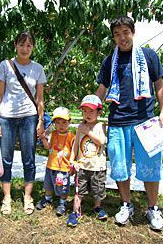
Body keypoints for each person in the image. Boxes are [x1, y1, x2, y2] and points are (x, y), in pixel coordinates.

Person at [96, 15, 163, 231]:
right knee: (120, 166)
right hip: (118, 121)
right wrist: (91, 107)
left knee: (151, 167)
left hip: (145, 121)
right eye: (117, 35)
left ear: (133, 33)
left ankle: (153, 208)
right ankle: (126, 204)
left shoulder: (148, 56)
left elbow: (159, 85)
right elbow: (102, 87)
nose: (122, 38)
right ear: (113, 38)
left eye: (125, 33)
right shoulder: (110, 60)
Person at [0, 31, 47, 215]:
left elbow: (40, 99)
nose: (25, 49)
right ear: (15, 45)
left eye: (29, 45)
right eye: (22, 44)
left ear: (33, 47)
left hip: (29, 117)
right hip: (7, 118)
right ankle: (7, 197)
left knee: (29, 158)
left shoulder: (38, 69)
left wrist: (40, 121)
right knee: (6, 158)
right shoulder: (5, 66)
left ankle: (27, 197)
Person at [67, 95, 107, 227]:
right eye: (84, 111)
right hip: (82, 166)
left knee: (98, 189)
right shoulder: (80, 127)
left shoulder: (101, 126)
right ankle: (75, 211)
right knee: (79, 190)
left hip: (97, 167)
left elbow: (101, 142)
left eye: (91, 111)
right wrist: (72, 159)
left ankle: (97, 207)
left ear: (99, 112)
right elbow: (76, 144)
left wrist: (88, 132)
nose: (87, 114)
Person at [36, 107, 75, 216]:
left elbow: (74, 150)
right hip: (51, 166)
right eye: (58, 123)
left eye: (64, 122)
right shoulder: (52, 134)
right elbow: (48, 147)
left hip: (64, 167)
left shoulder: (71, 136)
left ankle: (63, 202)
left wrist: (72, 162)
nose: (61, 125)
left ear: (69, 122)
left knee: (63, 187)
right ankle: (48, 198)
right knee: (48, 185)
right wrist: (43, 139)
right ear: (54, 123)